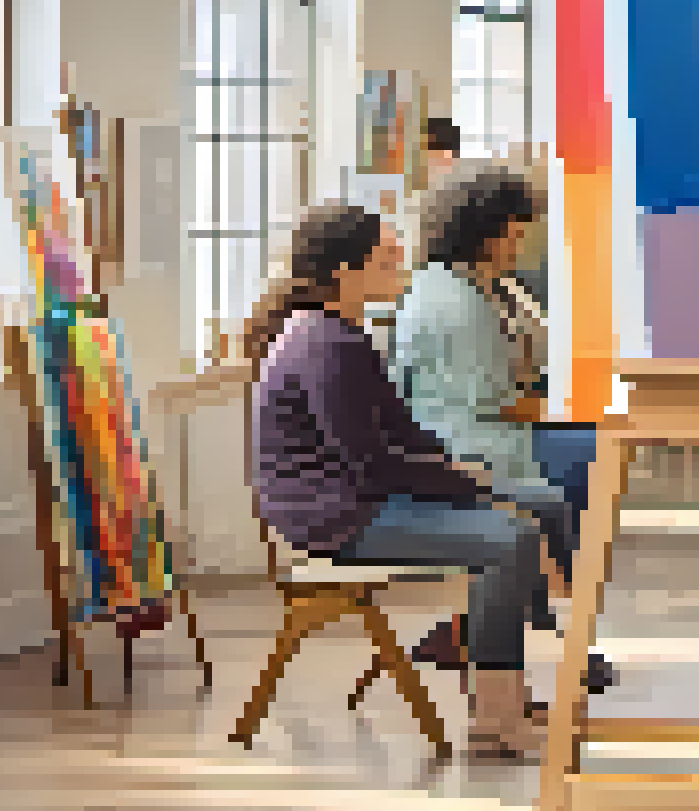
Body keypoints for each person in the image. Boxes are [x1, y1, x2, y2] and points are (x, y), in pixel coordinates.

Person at [248, 204, 550, 760]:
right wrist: (466, 482)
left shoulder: (341, 335)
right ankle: (497, 716)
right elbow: (372, 463)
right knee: (513, 541)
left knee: (537, 508)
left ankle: (508, 698)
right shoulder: (325, 344)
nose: (402, 264)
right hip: (335, 517)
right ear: (344, 270)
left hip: (356, 501)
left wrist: (464, 475)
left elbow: (402, 436)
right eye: (387, 257)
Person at [394, 165, 614, 693]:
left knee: (589, 455)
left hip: (462, 430)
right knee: (591, 460)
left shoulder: (452, 286)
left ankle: (538, 615)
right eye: (514, 236)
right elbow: (491, 402)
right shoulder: (457, 304)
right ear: (483, 234)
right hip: (466, 441)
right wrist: (560, 408)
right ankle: (553, 620)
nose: (520, 248)